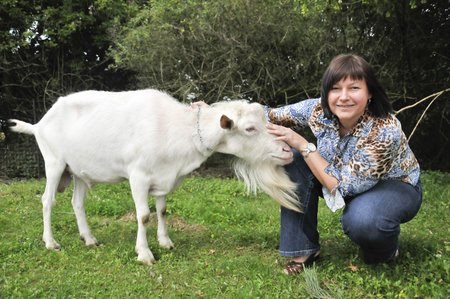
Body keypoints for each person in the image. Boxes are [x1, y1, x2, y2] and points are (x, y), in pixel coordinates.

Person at [265, 54, 422, 275]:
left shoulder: (385, 130)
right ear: (326, 93)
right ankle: (304, 250)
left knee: (363, 220)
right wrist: (216, 114)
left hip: (394, 185)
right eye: (335, 88)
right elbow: (268, 115)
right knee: (290, 157)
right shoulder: (317, 110)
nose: (343, 97)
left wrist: (303, 145)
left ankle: (385, 250)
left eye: (354, 88)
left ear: (369, 93)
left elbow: (342, 187)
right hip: (337, 175)